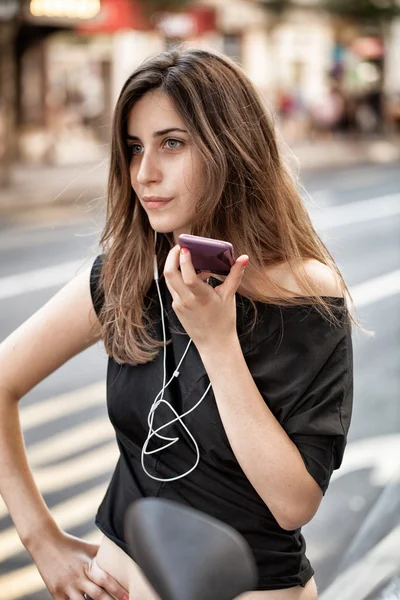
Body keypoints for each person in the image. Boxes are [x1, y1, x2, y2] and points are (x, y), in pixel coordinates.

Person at [0, 47, 355, 600]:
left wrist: (218, 341)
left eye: (172, 143)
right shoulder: (126, 273)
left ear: (230, 147)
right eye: (134, 148)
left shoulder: (303, 289)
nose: (145, 173)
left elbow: (293, 504)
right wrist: (41, 540)